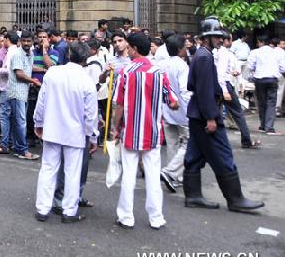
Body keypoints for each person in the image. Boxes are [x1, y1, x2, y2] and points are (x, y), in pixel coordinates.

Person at [182, 17, 264, 213]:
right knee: (223, 155)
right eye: (216, 36)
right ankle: (235, 199)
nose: (220, 40)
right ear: (206, 37)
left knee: (194, 156)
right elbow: (203, 89)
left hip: (198, 114)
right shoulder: (204, 56)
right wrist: (211, 117)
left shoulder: (203, 55)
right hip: (205, 115)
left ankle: (193, 196)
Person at [111, 33, 178, 230]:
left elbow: (119, 105)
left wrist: (115, 127)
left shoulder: (126, 72)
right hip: (153, 132)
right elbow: (173, 102)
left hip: (130, 132)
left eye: (129, 47)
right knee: (152, 175)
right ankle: (156, 217)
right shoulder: (159, 72)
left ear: (134, 48)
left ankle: (126, 217)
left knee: (128, 175)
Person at [34, 42, 98, 223]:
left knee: (48, 168)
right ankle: (69, 211)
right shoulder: (87, 81)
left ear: (69, 54)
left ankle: (42, 209)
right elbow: (91, 115)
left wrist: (38, 122)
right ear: (85, 59)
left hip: (52, 128)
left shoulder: (53, 73)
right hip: (75, 133)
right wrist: (92, 136)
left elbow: (42, 101)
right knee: (72, 172)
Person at [159, 35, 191, 193]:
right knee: (188, 143)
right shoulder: (182, 66)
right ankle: (171, 173)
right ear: (179, 49)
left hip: (166, 109)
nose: (187, 48)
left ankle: (173, 177)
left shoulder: (162, 64)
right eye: (185, 46)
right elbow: (185, 92)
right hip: (182, 111)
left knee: (172, 144)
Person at [5, 32, 40, 160]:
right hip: (16, 92)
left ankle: (18, 146)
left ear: (32, 41)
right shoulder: (18, 54)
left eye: (28, 41)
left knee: (18, 122)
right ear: (20, 41)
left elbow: (30, 68)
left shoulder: (30, 53)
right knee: (21, 122)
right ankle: (23, 150)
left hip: (23, 93)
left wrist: (44, 70)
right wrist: (34, 81)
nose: (26, 43)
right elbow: (20, 74)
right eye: (24, 41)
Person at [247, 35, 285, 135]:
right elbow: (283, 68)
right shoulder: (278, 52)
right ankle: (269, 127)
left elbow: (250, 66)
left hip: (259, 80)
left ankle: (263, 125)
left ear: (260, 42)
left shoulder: (255, 52)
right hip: (272, 79)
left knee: (261, 102)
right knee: (271, 103)